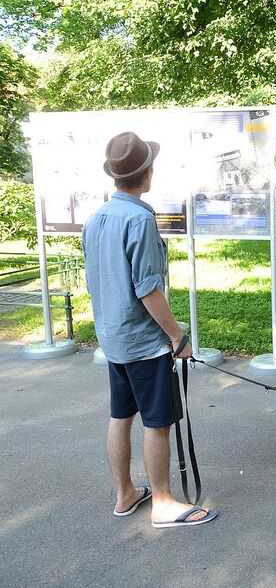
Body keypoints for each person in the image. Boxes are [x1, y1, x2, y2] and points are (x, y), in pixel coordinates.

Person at [82, 131, 218, 528]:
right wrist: (178, 336)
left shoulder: (97, 217)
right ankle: (162, 503)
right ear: (147, 173)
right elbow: (148, 289)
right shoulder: (140, 218)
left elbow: (98, 279)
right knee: (158, 423)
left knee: (120, 416)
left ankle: (125, 494)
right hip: (144, 342)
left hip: (113, 338)